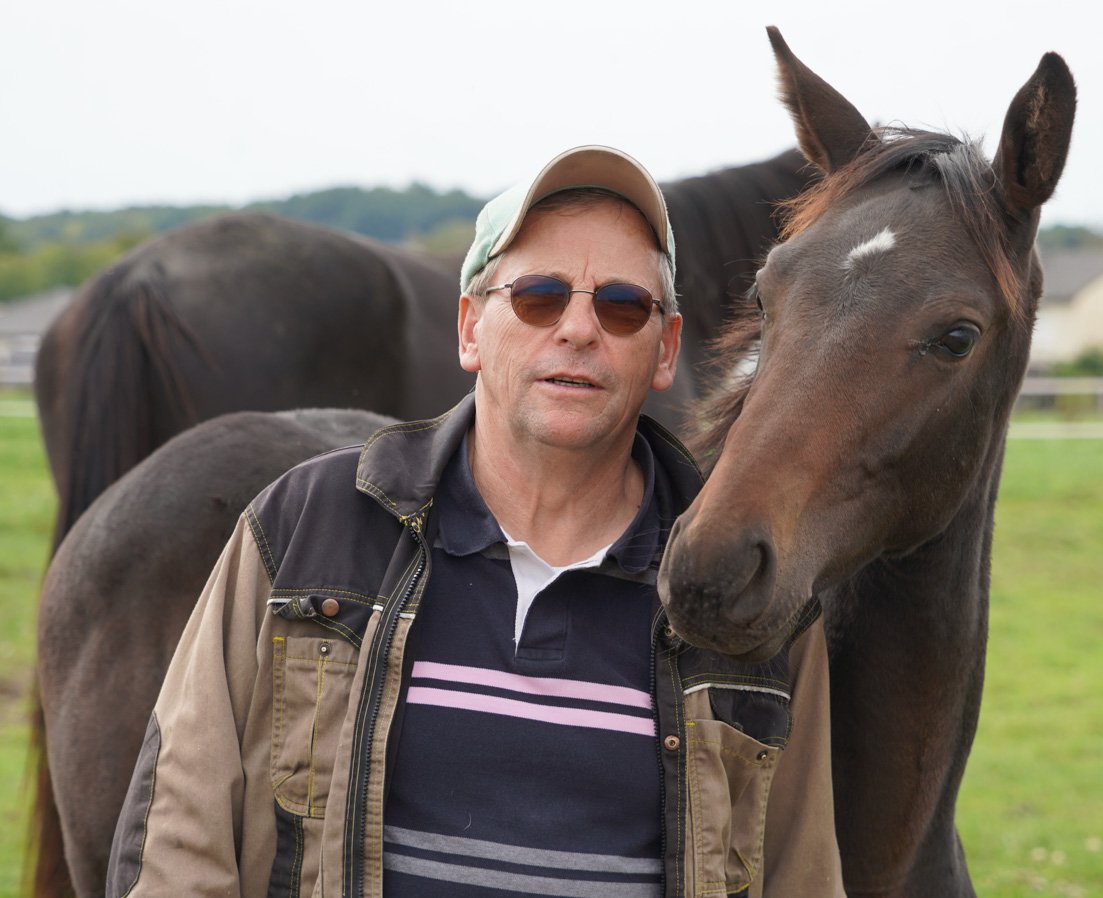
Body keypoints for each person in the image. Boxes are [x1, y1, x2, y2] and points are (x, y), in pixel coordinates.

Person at [106, 146, 842, 898]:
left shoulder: (744, 590)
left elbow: (801, 870)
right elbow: (177, 830)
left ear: (666, 351)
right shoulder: (303, 526)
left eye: (622, 306)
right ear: (470, 330)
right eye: (539, 297)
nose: (579, 328)